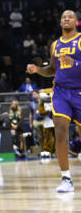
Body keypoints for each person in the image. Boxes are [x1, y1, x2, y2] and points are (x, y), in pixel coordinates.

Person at [27, 10, 81, 193]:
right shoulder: (55, 45)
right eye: (63, 17)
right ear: (60, 22)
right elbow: (51, 70)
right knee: (60, 130)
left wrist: (75, 63)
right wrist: (37, 70)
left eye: (70, 17)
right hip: (60, 92)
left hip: (79, 91)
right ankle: (66, 178)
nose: (66, 19)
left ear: (76, 21)